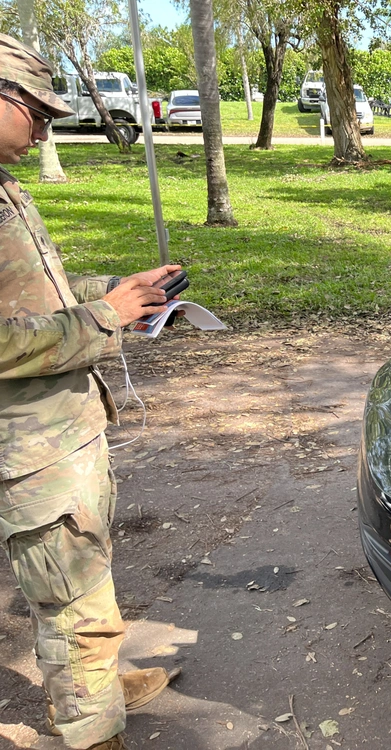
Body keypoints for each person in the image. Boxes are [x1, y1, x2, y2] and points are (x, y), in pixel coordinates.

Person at [0, 34, 182, 750]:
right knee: (74, 605)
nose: (45, 127)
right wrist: (103, 319)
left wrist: (110, 294)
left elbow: (24, 302)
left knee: (77, 593)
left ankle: (88, 685)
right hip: (29, 451)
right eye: (34, 109)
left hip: (55, 435)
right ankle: (90, 727)